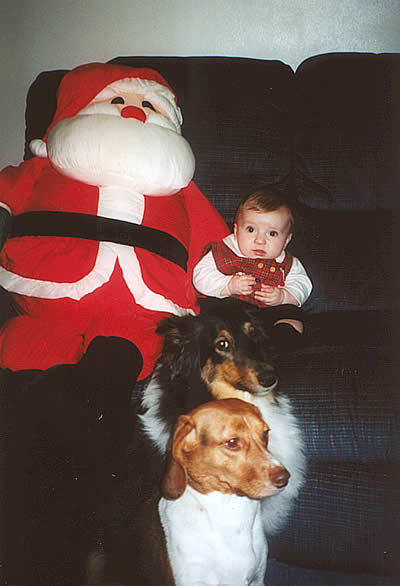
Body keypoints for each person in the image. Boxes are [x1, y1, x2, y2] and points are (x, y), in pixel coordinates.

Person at [193, 186, 312, 350]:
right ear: (236, 231)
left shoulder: (288, 263)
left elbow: (303, 283)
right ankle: (233, 344)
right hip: (232, 309)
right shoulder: (223, 252)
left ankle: (278, 343)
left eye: (272, 233)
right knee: (212, 314)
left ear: (286, 240)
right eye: (251, 230)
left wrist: (283, 296)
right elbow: (200, 276)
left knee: (294, 319)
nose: (260, 241)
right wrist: (228, 285)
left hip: (270, 313)